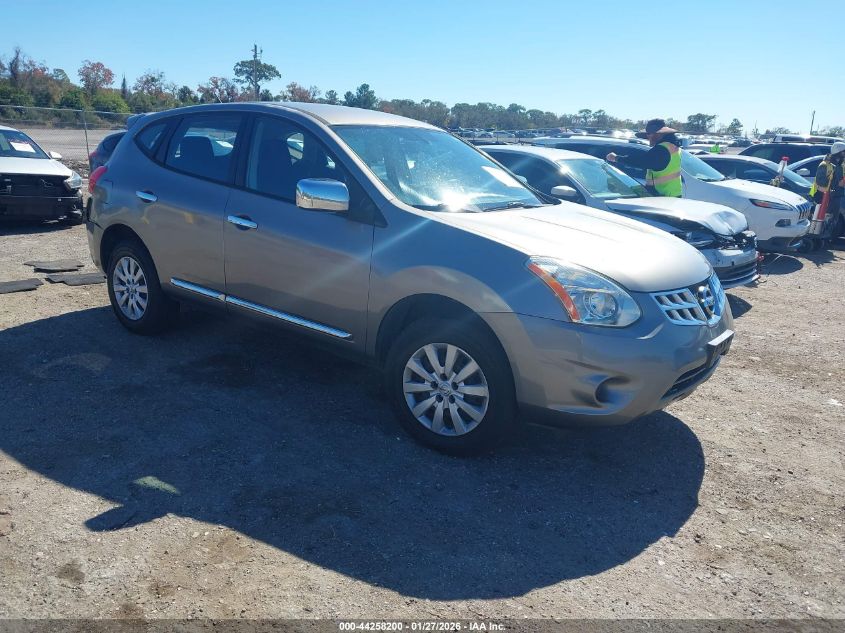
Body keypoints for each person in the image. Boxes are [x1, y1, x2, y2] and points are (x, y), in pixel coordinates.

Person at [607, 118, 682, 197]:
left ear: (659, 134)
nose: (648, 137)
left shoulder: (661, 149)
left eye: (649, 134)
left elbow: (641, 162)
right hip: (672, 195)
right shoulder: (672, 147)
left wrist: (617, 158)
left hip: (664, 197)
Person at [810, 141, 845, 237]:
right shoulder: (825, 164)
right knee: (824, 218)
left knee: (832, 220)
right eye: (843, 152)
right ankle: (818, 237)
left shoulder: (839, 165)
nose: (844, 154)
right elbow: (821, 181)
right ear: (838, 152)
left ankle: (826, 238)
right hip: (823, 196)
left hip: (835, 196)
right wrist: (837, 183)